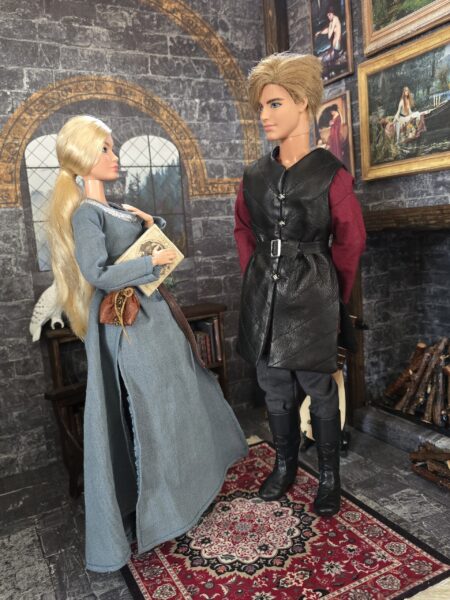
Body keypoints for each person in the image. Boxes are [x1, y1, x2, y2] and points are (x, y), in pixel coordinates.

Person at [48, 115, 247, 572]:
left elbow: (137, 247)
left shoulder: (116, 207)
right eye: (105, 148)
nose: (114, 156)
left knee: (178, 402)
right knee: (150, 412)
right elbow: (97, 273)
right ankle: (161, 511)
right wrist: (149, 263)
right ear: (83, 156)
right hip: (131, 327)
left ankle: (188, 491)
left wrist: (149, 223)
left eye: (112, 147)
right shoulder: (86, 213)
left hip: (155, 320)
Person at [234, 53, 366, 517]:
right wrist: (255, 275)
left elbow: (351, 240)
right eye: (261, 107)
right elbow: (243, 228)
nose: (264, 116)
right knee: (272, 383)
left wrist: (333, 298)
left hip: (313, 293)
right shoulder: (254, 175)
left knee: (318, 384)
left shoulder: (332, 175)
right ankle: (285, 465)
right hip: (263, 295)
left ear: (303, 103)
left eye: (274, 104)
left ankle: (329, 477)